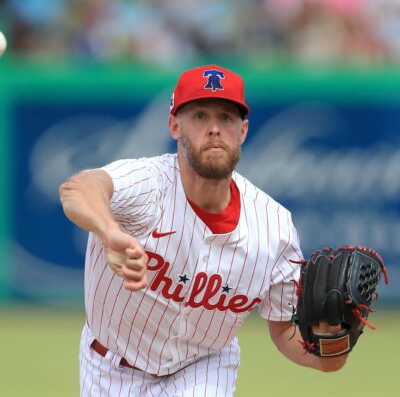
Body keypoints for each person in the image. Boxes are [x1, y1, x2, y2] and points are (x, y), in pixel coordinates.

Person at [59, 64, 347, 396]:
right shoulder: (149, 184)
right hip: (109, 365)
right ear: (174, 126)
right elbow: (77, 188)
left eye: (226, 117)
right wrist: (110, 231)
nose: (214, 129)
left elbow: (284, 332)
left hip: (205, 367)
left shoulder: (275, 229)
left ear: (243, 131)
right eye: (199, 116)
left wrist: (330, 348)